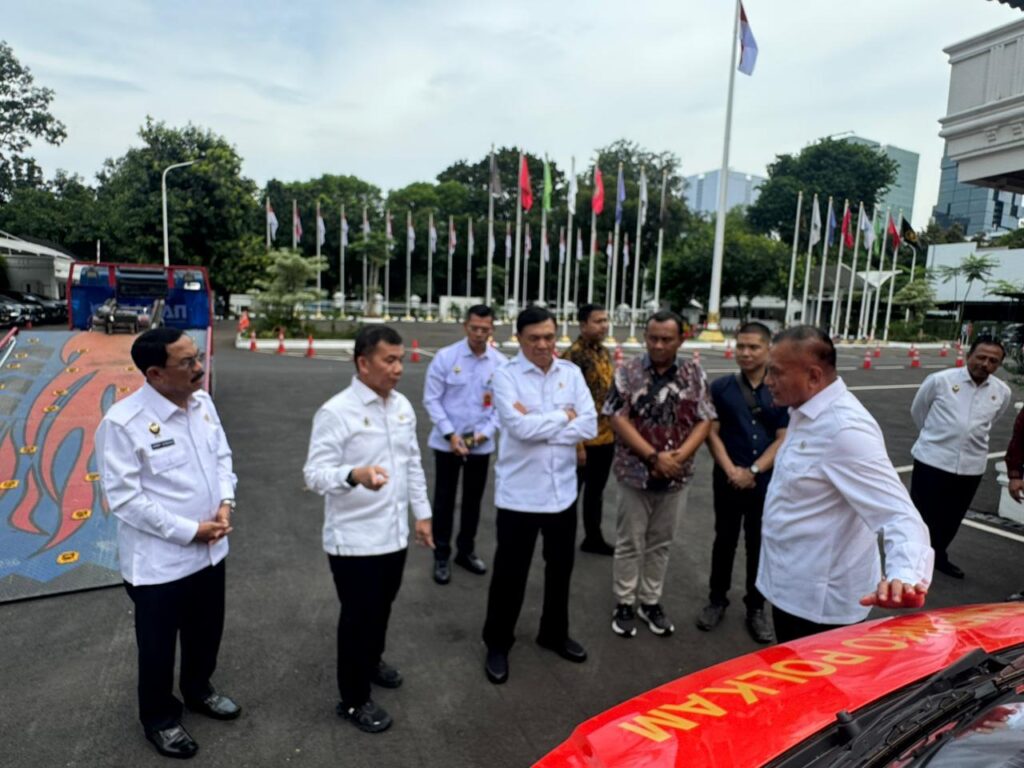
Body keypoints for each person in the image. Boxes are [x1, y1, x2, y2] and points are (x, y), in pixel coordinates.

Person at [95, 328, 239, 760]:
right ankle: (159, 719)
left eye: (197, 357)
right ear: (155, 373)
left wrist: (226, 502)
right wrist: (191, 530)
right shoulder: (122, 423)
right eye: (187, 362)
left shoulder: (203, 403)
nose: (199, 367)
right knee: (157, 649)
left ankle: (199, 690)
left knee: (206, 633)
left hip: (210, 552)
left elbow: (222, 457)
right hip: (159, 565)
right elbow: (125, 501)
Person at [758, 325, 934, 643]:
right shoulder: (804, 410)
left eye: (776, 372)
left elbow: (899, 514)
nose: (767, 381)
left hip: (818, 607)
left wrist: (904, 576)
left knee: (809, 674)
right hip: (790, 584)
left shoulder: (844, 430)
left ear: (814, 376)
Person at [303, 325, 434, 734]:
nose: (398, 368)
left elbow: (412, 463)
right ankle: (353, 699)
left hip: (393, 534)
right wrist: (353, 475)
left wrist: (422, 514)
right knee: (357, 618)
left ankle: (371, 661)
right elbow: (314, 474)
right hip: (354, 539)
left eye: (400, 360)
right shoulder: (336, 412)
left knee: (382, 607)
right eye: (388, 360)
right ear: (363, 363)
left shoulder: (401, 406)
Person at [482, 306, 597, 684]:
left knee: (560, 569)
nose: (543, 345)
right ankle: (498, 642)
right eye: (534, 338)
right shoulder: (505, 376)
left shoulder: (571, 373)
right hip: (519, 496)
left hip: (562, 492)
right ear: (519, 339)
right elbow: (518, 429)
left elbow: (589, 424)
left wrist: (542, 425)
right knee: (510, 574)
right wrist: (565, 417)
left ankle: (554, 633)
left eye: (549, 337)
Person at [604, 310, 715, 638]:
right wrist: (653, 457)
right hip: (635, 472)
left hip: (677, 474)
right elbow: (617, 417)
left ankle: (650, 601)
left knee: (661, 543)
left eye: (667, 339)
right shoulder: (628, 371)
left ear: (681, 340)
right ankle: (625, 601)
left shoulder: (694, 373)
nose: (658, 345)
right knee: (629, 541)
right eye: (653, 338)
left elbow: (705, 419)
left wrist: (678, 457)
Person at [697, 322, 787, 644]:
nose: (746, 353)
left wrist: (753, 470)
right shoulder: (721, 387)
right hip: (727, 478)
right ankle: (716, 599)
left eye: (753, 347)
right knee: (724, 540)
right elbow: (711, 433)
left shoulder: (779, 388)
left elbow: (784, 437)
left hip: (764, 481)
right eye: (741, 346)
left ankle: (756, 607)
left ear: (768, 350)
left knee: (758, 544)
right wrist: (732, 470)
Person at [910, 336, 1010, 579]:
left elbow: (992, 421)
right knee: (921, 515)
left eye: (993, 361)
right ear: (968, 356)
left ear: (998, 364)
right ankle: (912, 561)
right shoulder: (940, 381)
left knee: (951, 518)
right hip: (932, 460)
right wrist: (936, 438)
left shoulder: (1001, 392)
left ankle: (939, 556)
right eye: (981, 357)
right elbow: (918, 411)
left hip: (971, 466)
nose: (985, 364)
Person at [422, 305, 505, 584]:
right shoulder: (446, 357)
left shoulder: (500, 363)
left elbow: (502, 407)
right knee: (444, 500)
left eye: (485, 329)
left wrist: (483, 435)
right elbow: (432, 399)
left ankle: (465, 550)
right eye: (474, 328)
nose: (479, 334)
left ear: (492, 329)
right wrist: (451, 435)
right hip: (448, 443)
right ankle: (441, 554)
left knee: (473, 501)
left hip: (480, 444)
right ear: (465, 327)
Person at [562, 303, 616, 555]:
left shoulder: (603, 352)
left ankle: (593, 538)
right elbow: (566, 403)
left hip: (605, 436)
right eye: (598, 321)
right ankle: (563, 540)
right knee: (571, 493)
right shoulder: (573, 357)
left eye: (605, 320)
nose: (604, 326)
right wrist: (577, 445)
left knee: (596, 492)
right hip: (582, 440)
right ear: (583, 325)